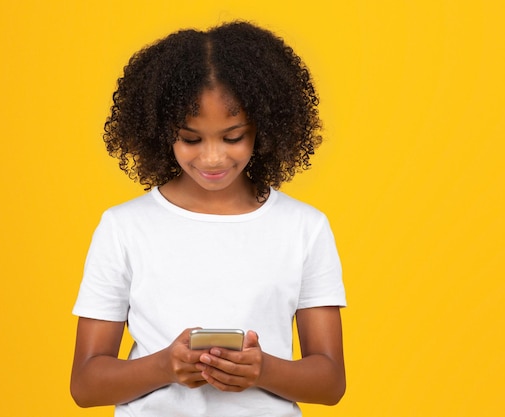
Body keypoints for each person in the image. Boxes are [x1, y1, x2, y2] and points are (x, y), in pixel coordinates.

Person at [70, 21, 346, 417]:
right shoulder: (124, 228)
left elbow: (330, 382)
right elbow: (85, 384)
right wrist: (165, 365)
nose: (213, 158)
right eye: (191, 138)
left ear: (262, 130)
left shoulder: (304, 228)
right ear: (161, 130)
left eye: (232, 137)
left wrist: (262, 370)